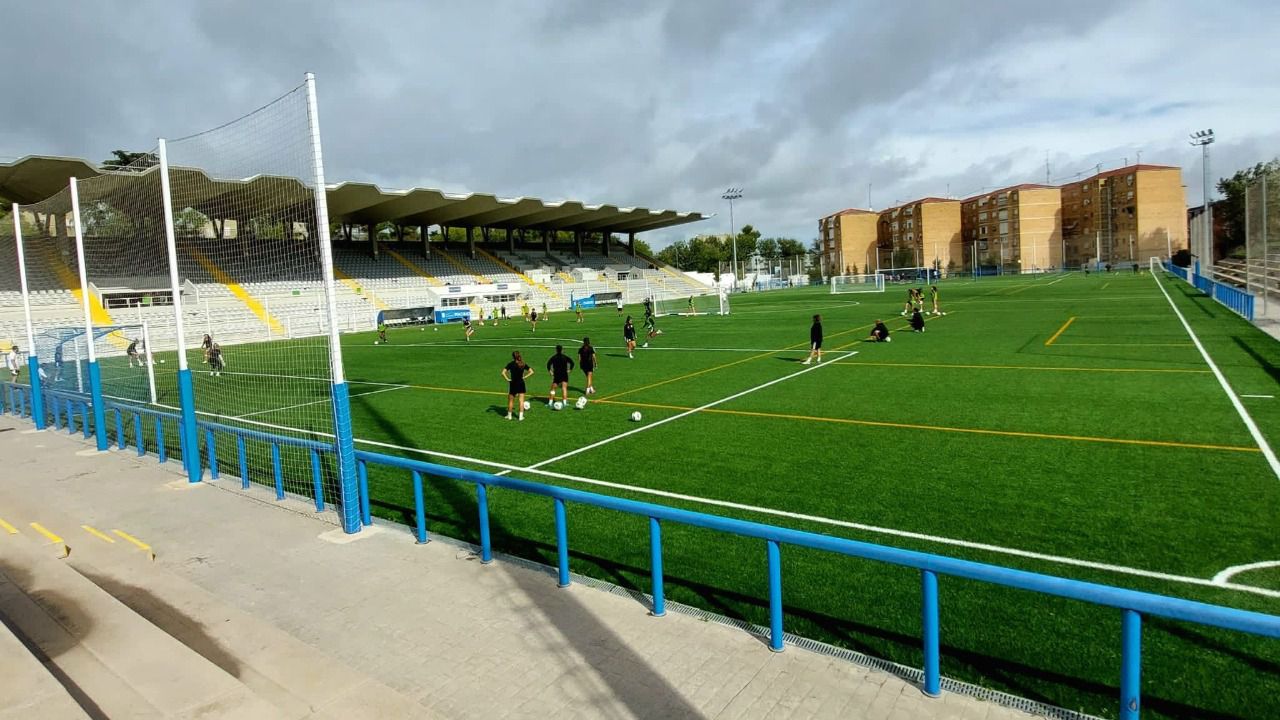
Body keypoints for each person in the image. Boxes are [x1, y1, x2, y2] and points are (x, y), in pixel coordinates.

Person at [502, 350, 534, 421]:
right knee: (521, 400)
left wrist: (507, 379)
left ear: (513, 357)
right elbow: (532, 371)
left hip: (513, 383)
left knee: (511, 401)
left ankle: (509, 416)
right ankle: (520, 417)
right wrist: (524, 377)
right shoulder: (523, 364)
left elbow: (503, 372)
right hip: (521, 383)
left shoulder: (510, 364)